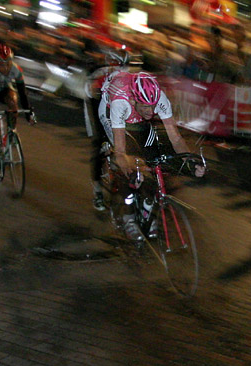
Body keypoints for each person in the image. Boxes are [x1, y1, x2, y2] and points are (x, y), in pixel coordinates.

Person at [98, 71, 205, 240]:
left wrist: (190, 161)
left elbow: (176, 138)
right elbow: (120, 152)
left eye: (154, 106)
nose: (152, 111)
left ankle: (147, 209)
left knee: (153, 160)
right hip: (110, 113)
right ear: (134, 99)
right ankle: (128, 218)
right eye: (147, 106)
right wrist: (129, 169)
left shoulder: (157, 99)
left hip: (136, 117)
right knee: (128, 163)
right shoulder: (121, 103)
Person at [86, 48, 133, 211]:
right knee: (101, 143)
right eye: (122, 66)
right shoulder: (101, 78)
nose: (125, 70)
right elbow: (102, 111)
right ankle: (98, 191)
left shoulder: (128, 76)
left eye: (127, 66)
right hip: (96, 101)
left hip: (114, 102)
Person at [0, 43, 35, 179]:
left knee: (13, 98)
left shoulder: (16, 70)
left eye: (8, 63)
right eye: (1, 63)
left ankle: (11, 130)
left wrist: (29, 112)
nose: (5, 67)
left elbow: (23, 93)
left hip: (5, 90)